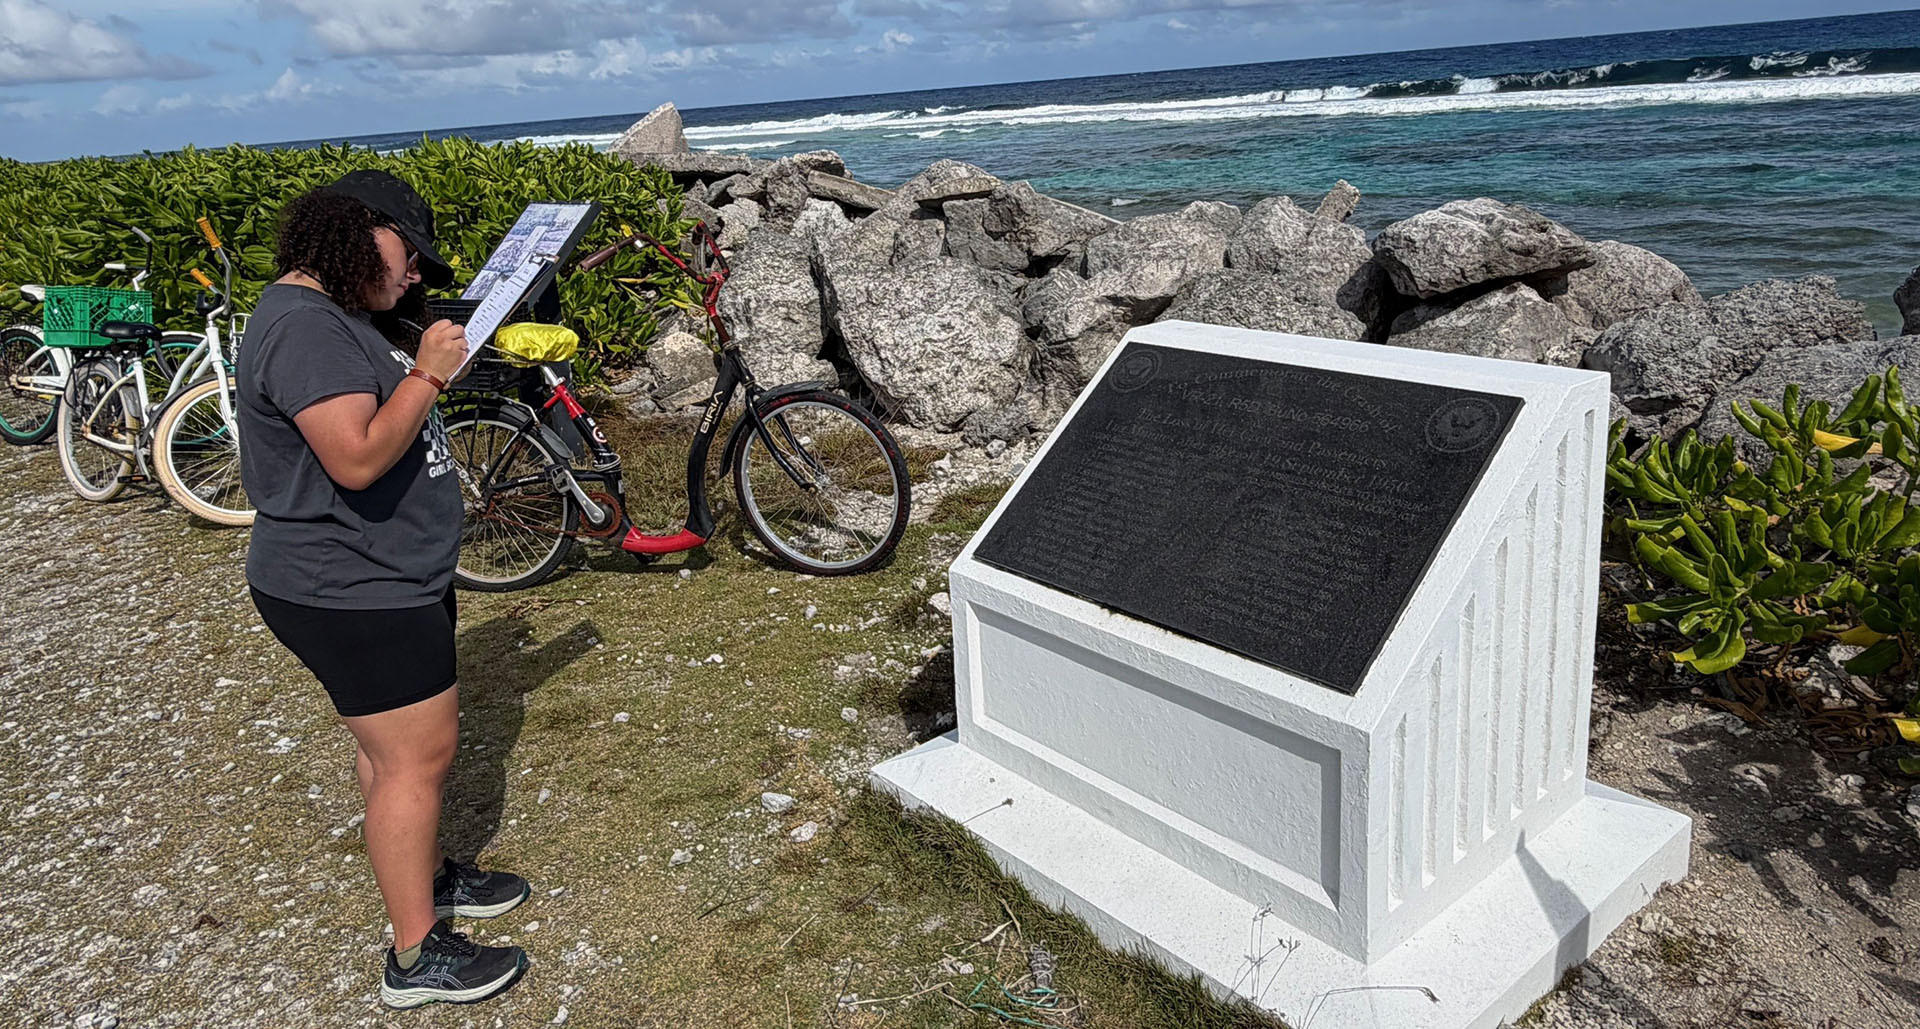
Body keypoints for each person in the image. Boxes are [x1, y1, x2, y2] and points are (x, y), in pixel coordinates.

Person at [236, 169, 530, 1009]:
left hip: (381, 574)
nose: (413, 276)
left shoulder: (329, 315)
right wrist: (430, 374)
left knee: (389, 752)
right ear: (358, 232)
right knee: (415, 758)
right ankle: (416, 956)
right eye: (407, 255)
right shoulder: (303, 329)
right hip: (350, 584)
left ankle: (426, 880)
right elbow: (357, 454)